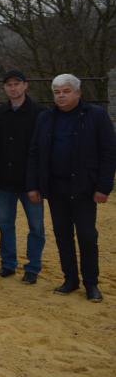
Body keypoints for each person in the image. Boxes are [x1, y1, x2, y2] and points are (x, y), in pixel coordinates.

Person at [27, 74, 116, 302]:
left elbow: (109, 152)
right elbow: (35, 153)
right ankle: (70, 279)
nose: (61, 96)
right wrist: (33, 185)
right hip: (55, 187)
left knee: (87, 236)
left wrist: (104, 186)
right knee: (62, 235)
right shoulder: (45, 118)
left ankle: (91, 283)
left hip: (84, 187)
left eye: (66, 91)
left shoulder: (96, 115)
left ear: (78, 92)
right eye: (57, 92)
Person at [0, 70, 45, 284]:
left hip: (30, 181)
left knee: (36, 226)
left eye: (17, 83)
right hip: (3, 179)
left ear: (25, 85)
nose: (13, 88)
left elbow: (42, 149)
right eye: (9, 84)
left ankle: (33, 267)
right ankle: (8, 263)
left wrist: (38, 180)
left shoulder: (40, 113)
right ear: (4, 88)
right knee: (5, 224)